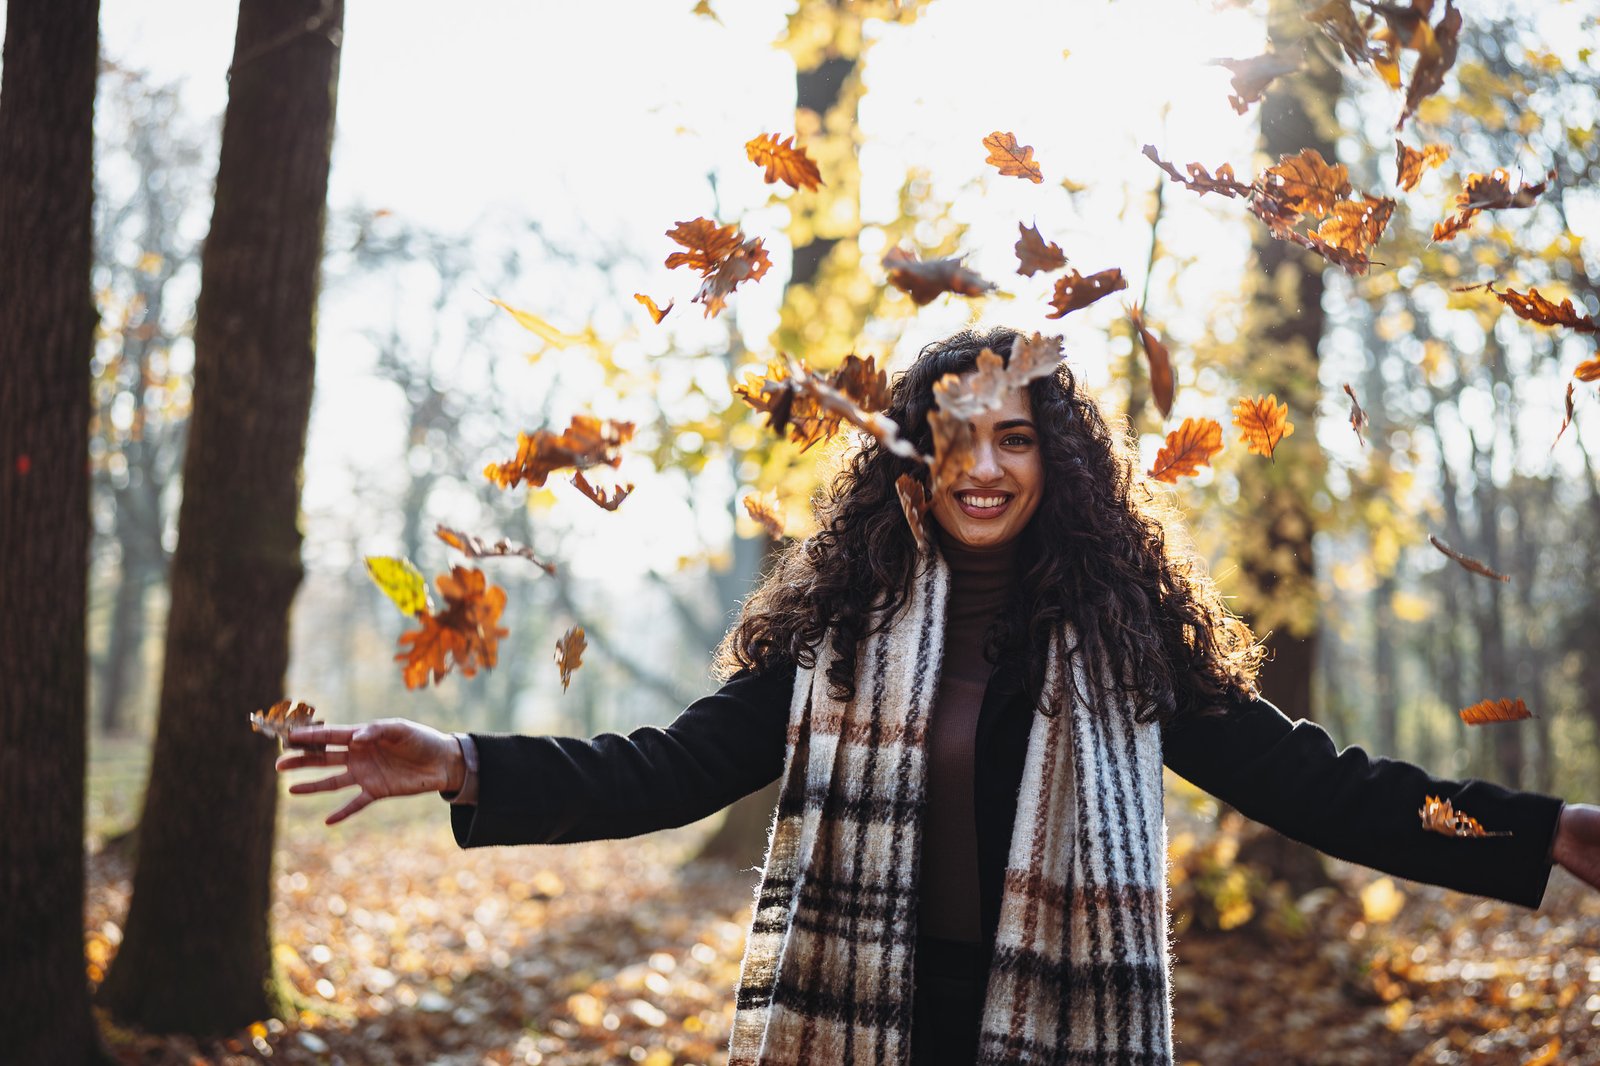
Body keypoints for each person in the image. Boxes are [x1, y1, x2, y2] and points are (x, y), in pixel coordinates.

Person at [279, 326, 1600, 1066]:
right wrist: (459, 759)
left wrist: (1534, 832)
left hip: (1055, 1023)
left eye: (1013, 435)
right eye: (955, 435)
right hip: (867, 1025)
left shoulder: (1123, 641)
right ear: (913, 457)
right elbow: (664, 766)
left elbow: (1326, 786)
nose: (983, 465)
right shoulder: (838, 626)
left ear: (1055, 459)